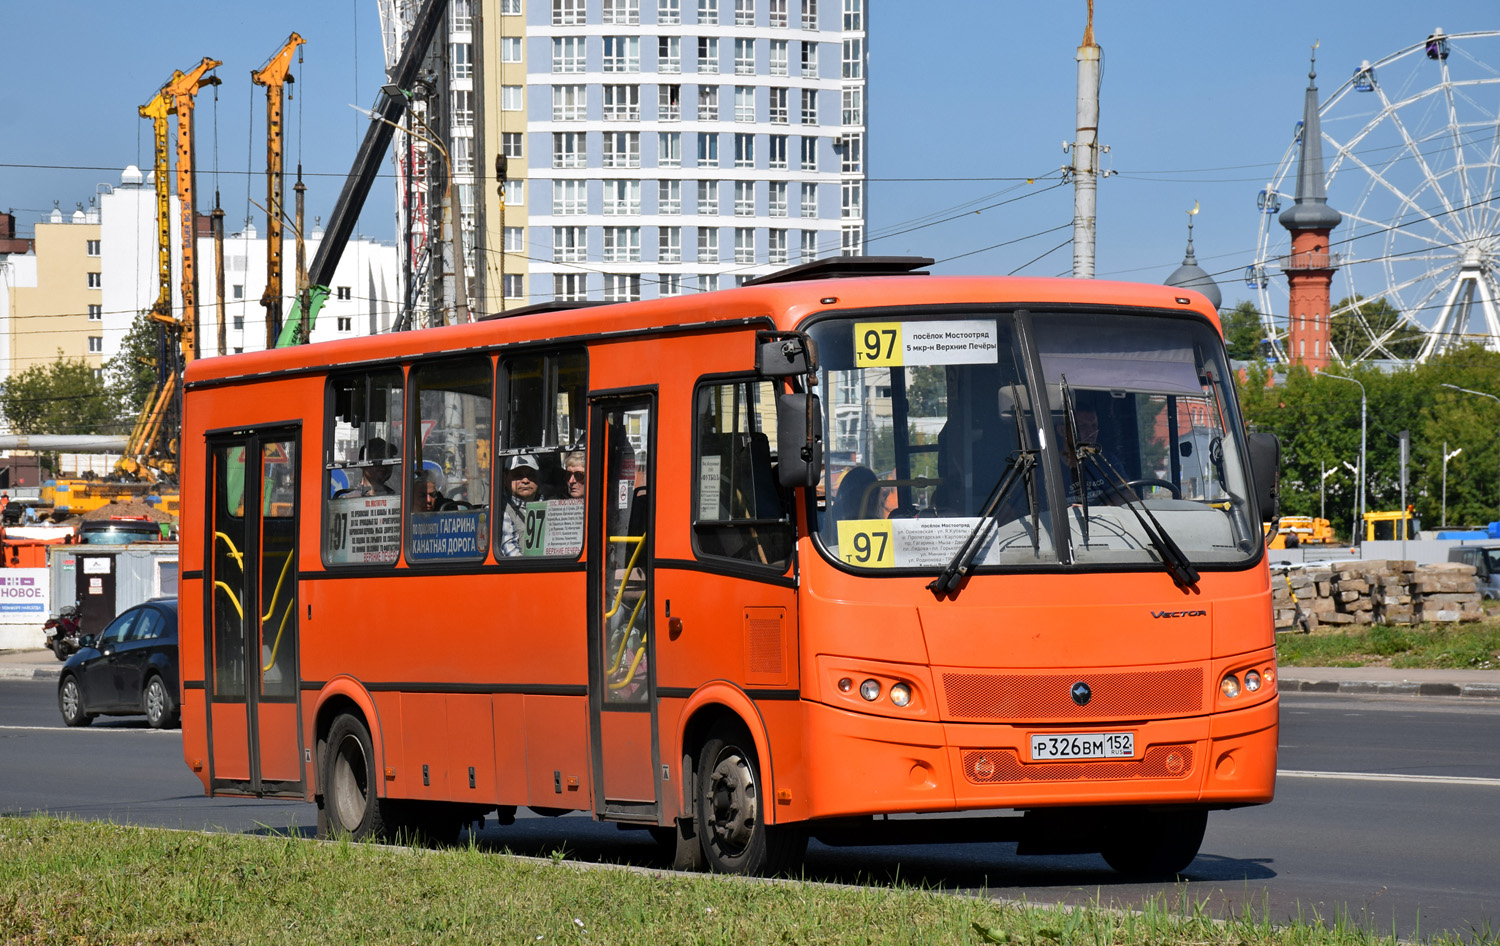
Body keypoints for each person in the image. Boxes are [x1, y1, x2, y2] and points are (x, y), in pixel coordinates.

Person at [500, 454, 542, 556]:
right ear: (505, 478)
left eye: (531, 475)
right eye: (518, 475)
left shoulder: (549, 505)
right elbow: (510, 552)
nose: (525, 481)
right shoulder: (502, 509)